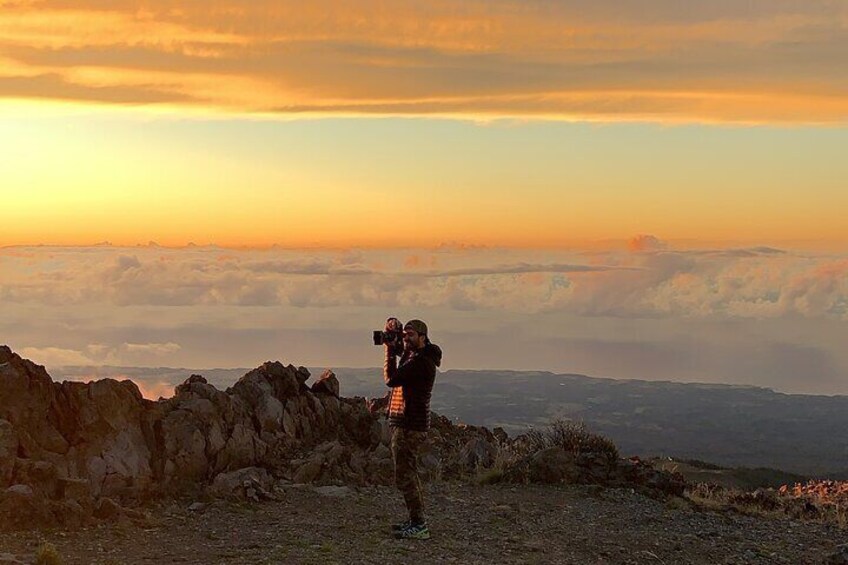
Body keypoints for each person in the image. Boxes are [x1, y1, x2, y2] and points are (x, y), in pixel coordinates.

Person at [382, 318, 442, 540]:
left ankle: (419, 524)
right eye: (405, 334)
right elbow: (401, 349)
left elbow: (391, 379)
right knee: (408, 473)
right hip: (407, 423)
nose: (406, 338)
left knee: (405, 476)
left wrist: (388, 352)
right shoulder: (415, 355)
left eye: (411, 334)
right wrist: (392, 329)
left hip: (410, 425)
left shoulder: (421, 362)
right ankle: (416, 521)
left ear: (423, 337)